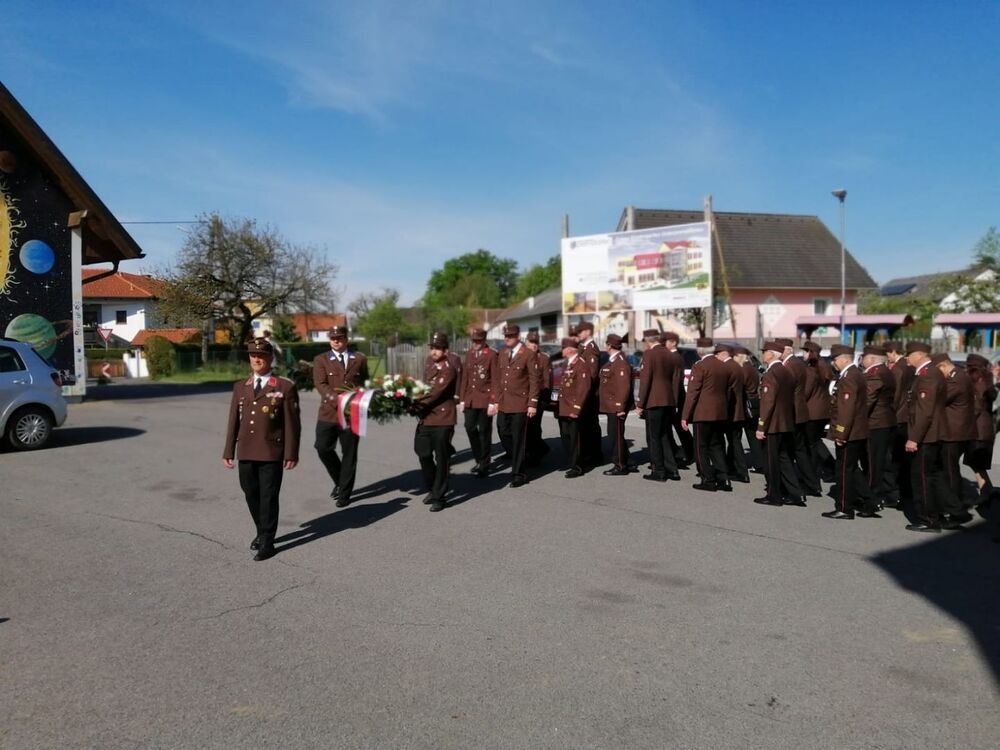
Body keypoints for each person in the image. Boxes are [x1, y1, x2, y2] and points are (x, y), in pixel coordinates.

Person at [222, 338, 301, 561]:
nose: (257, 359)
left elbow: (292, 424)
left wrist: (291, 453)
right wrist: (228, 451)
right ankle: (261, 529)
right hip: (246, 449)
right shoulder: (240, 387)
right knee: (250, 493)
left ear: (270, 358)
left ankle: (267, 541)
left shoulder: (284, 386)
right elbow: (233, 421)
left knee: (268, 496)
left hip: (271, 451)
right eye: (253, 355)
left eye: (262, 356)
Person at [313, 325, 369, 508]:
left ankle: (345, 493)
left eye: (339, 338)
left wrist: (364, 397)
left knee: (349, 454)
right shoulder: (321, 360)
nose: (336, 341)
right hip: (329, 412)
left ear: (346, 339)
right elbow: (321, 384)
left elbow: (364, 382)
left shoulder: (359, 358)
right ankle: (339, 479)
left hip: (352, 414)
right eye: (333, 338)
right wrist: (338, 401)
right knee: (322, 448)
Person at [822, 344, 876, 520]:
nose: (833, 363)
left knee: (844, 470)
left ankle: (845, 508)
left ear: (845, 359)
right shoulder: (854, 374)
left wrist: (841, 434)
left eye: (835, 359)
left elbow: (847, 409)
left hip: (849, 432)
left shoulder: (849, 377)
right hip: (856, 431)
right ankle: (869, 501)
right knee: (852, 469)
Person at [903, 341, 947, 533]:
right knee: (930, 476)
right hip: (929, 434)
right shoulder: (927, 373)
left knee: (921, 478)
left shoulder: (928, 375)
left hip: (926, 436)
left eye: (909, 354)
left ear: (919, 355)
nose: (907, 358)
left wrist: (914, 438)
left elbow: (924, 411)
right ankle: (936, 515)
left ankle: (928, 519)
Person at [754, 341, 804, 507]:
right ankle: (796, 494)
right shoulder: (786, 371)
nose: (763, 354)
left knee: (771, 462)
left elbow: (768, 402)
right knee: (784, 460)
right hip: (785, 422)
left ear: (771, 354)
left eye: (765, 352)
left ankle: (773, 495)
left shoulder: (771, 373)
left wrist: (761, 426)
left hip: (773, 424)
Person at [413, 333, 458, 512]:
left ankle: (439, 496)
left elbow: (434, 393)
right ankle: (433, 487)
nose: (434, 351)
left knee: (442, 458)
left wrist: (413, 403)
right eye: (432, 348)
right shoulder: (429, 363)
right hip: (426, 418)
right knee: (422, 452)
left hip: (442, 419)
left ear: (445, 350)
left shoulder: (449, 369)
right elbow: (423, 387)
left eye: (437, 348)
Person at [681, 337, 733, 492]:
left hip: (703, 413)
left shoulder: (700, 366)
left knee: (701, 447)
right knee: (716, 446)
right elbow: (728, 391)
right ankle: (724, 478)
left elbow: (692, 393)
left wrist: (685, 416)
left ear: (700, 351)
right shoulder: (723, 366)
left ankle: (707, 479)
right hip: (719, 412)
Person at [933, 353, 975, 528]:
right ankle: (955, 503)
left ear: (943, 366)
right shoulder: (957, 376)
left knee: (949, 471)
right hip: (954, 432)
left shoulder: (957, 379)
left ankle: (956, 509)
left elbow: (940, 399)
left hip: (954, 433)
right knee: (950, 469)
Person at [495, 324, 540, 487]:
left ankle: (518, 474)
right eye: (506, 336)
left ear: (518, 337)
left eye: (511, 336)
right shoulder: (502, 353)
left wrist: (532, 403)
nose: (507, 338)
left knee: (518, 439)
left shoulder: (528, 354)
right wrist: (496, 400)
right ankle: (521, 456)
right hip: (504, 402)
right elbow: (499, 378)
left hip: (520, 403)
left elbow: (534, 380)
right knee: (503, 431)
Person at [778, 338, 822, 497]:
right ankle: (810, 484)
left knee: (794, 450)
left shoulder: (790, 365)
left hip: (793, 412)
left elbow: (788, 390)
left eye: (779, 349)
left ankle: (804, 485)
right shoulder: (796, 363)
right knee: (798, 450)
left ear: (786, 350)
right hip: (798, 412)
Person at [637, 328, 681, 482]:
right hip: (668, 400)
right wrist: (674, 401)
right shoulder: (669, 354)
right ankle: (672, 469)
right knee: (664, 436)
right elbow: (675, 379)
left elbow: (646, 380)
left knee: (654, 437)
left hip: (654, 400)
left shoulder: (649, 354)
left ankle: (658, 471)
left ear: (647, 340)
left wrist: (640, 403)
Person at [860, 346, 896, 510]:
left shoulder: (875, 374)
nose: (861, 359)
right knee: (881, 461)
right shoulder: (886, 371)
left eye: (864, 357)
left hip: (875, 423)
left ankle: (872, 498)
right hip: (884, 421)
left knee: (873, 463)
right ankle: (888, 494)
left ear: (872, 359)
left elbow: (867, 400)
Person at [459, 328, 498, 477]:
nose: (475, 343)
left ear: (484, 340)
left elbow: (495, 380)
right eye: (473, 341)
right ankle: (479, 458)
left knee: (484, 432)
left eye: (478, 341)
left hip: (485, 399)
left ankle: (484, 464)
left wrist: (493, 402)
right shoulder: (469, 354)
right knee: (469, 427)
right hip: (470, 398)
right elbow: (465, 378)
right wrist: (462, 399)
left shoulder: (492, 355)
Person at [964, 353, 997, 514]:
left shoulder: (978, 381)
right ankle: (987, 489)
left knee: (976, 461)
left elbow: (976, 407)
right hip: (984, 428)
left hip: (978, 429)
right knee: (975, 462)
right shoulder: (986, 379)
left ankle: (985, 492)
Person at [599, 334, 634, 476]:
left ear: (609, 346)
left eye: (606, 344)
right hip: (611, 405)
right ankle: (628, 461)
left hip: (616, 406)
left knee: (615, 436)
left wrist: (620, 407)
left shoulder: (620, 363)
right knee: (616, 435)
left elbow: (623, 387)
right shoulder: (613, 362)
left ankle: (620, 465)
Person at [885, 341, 915, 509]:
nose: (887, 357)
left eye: (887, 353)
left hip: (898, 416)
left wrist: (889, 411)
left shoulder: (898, 369)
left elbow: (895, 395)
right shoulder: (909, 366)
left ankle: (897, 494)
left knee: (895, 458)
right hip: (908, 416)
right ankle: (907, 492)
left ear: (893, 352)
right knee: (905, 459)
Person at [715, 343, 749, 483]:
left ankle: (737, 471)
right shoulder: (737, 366)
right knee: (734, 441)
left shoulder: (727, 367)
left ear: (723, 354)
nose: (716, 357)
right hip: (738, 410)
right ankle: (734, 469)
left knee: (729, 441)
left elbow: (727, 391)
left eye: (717, 354)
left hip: (730, 411)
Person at [557, 338, 590, 478]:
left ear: (569, 350)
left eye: (563, 348)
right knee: (566, 436)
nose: (561, 350)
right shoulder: (568, 363)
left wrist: (576, 408)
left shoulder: (581, 364)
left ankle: (577, 466)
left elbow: (583, 388)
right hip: (565, 407)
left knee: (575, 438)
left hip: (573, 408)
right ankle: (572, 461)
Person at [802, 341, 835, 482]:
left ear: (810, 353)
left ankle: (818, 471)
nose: (803, 354)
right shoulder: (823, 366)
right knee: (815, 441)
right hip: (823, 410)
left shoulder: (812, 369)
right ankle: (829, 467)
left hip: (812, 411)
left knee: (811, 443)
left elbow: (806, 392)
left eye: (805, 351)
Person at [661, 331, 693, 467]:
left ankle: (689, 453)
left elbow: (675, 381)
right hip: (674, 398)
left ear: (673, 342)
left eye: (666, 342)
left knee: (680, 428)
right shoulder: (673, 356)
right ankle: (683, 452)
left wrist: (673, 402)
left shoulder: (675, 357)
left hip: (676, 398)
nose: (664, 345)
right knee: (675, 427)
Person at [574, 321, 603, 467]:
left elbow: (592, 374)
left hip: (589, 395)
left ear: (588, 332)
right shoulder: (583, 348)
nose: (578, 334)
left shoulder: (591, 349)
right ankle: (590, 453)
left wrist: (583, 393)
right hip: (584, 393)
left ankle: (594, 454)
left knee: (590, 425)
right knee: (586, 425)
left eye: (580, 331)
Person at [524, 331, 552, 466]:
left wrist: (544, 399)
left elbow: (547, 381)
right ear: (526, 342)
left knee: (533, 427)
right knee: (524, 427)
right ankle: (538, 449)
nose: (534, 345)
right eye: (531, 342)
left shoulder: (544, 358)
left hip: (538, 398)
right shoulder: (521, 355)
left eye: (536, 342)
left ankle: (535, 454)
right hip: (522, 397)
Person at [734, 346, 764, 474]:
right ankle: (760, 463)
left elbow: (739, 389)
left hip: (744, 406)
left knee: (736, 436)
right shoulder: (751, 368)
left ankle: (738, 466)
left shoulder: (742, 369)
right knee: (752, 436)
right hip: (753, 404)